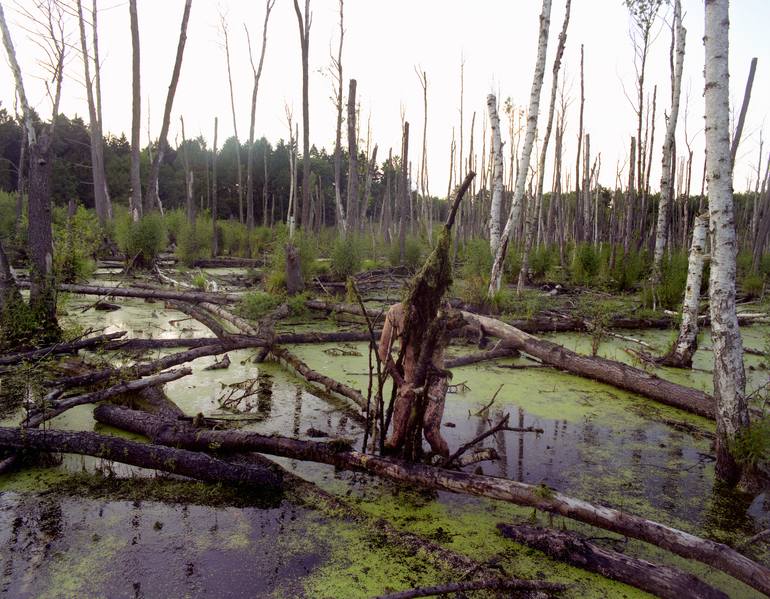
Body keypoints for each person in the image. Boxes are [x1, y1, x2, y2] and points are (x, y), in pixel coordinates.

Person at [378, 302, 450, 457]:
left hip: (435, 381)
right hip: (408, 381)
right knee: (396, 440)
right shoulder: (396, 312)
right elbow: (383, 350)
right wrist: (401, 383)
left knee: (431, 432)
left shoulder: (441, 310)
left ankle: (447, 466)